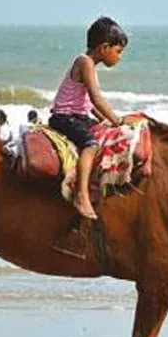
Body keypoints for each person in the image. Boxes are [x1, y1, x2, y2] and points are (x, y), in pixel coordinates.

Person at [49, 16, 132, 220]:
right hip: (65, 117)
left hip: (78, 115)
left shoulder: (90, 65)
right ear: (104, 47)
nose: (119, 57)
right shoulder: (85, 62)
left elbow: (86, 104)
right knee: (91, 144)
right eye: (118, 51)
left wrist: (106, 121)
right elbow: (96, 98)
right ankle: (81, 195)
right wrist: (117, 121)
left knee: (107, 134)